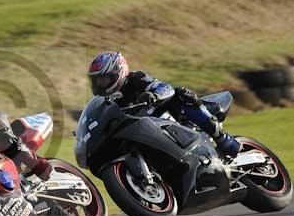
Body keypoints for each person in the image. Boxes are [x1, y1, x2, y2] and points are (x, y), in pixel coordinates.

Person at [87, 51, 241, 158]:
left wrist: (154, 95)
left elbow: (164, 88)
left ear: (118, 72)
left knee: (181, 94)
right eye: (96, 81)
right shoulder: (107, 101)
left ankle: (223, 139)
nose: (100, 84)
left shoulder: (136, 78)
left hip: (173, 119)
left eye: (104, 79)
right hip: (145, 133)